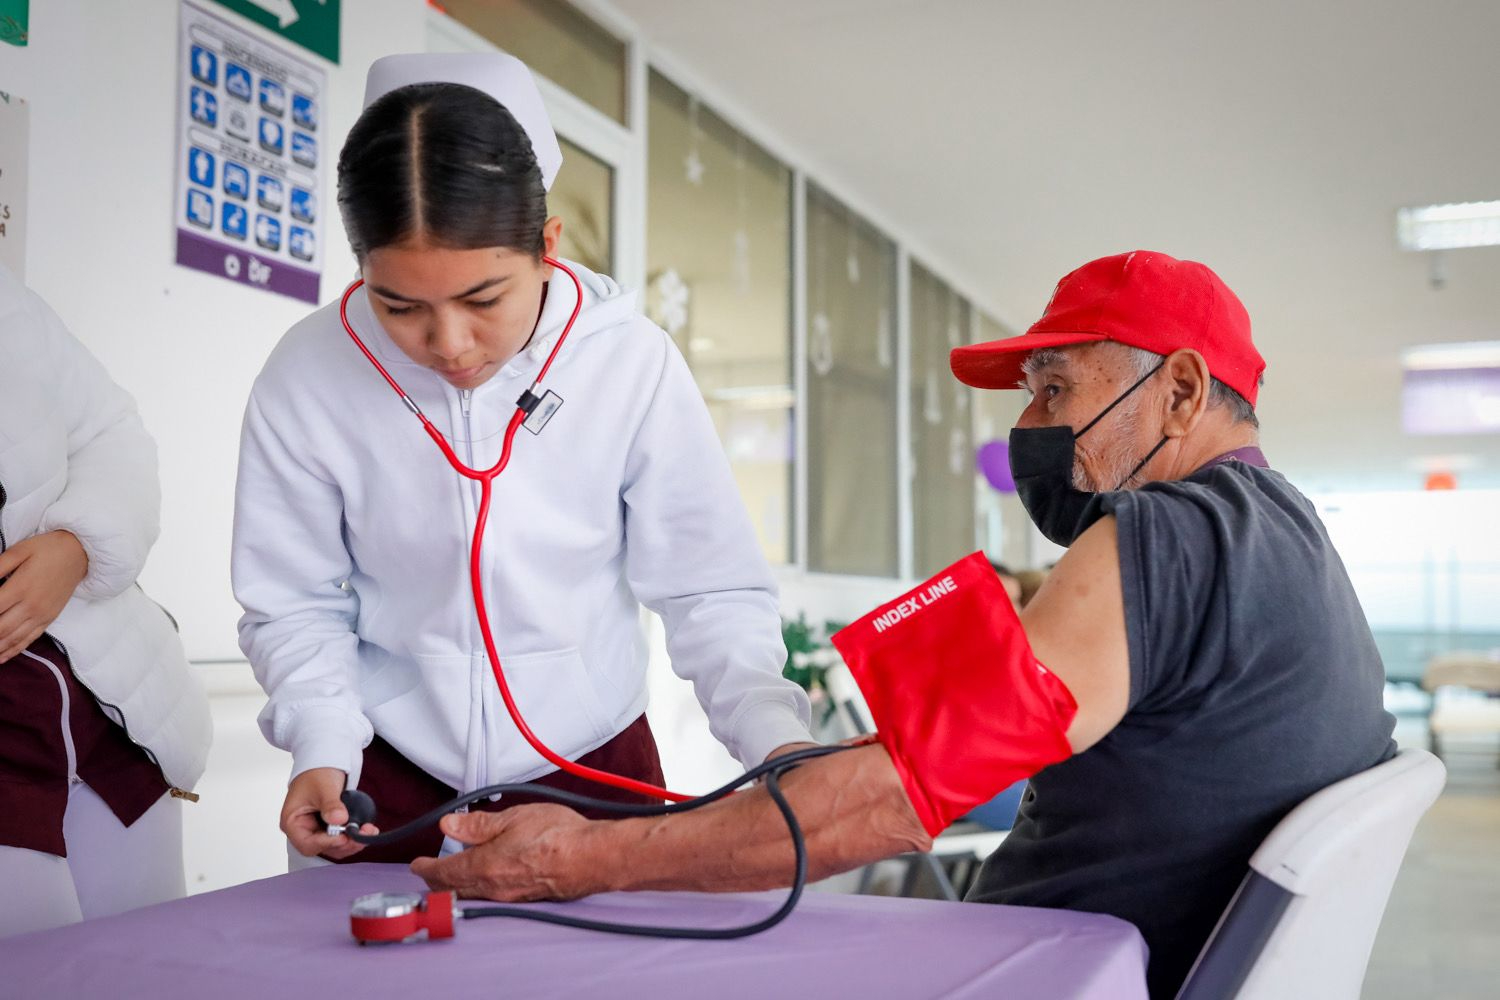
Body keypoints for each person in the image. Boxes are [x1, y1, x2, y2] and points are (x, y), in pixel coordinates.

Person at [406, 251, 1396, 999]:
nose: (1034, 428)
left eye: (1058, 389)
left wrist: (582, 858)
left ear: (1179, 390)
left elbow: (890, 801)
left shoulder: (1167, 537)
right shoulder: (1290, 536)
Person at [231, 53, 814, 868]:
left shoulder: (629, 365)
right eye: (399, 306)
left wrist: (773, 738)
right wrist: (321, 743)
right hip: (381, 781)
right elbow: (292, 599)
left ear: (547, 244)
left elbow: (707, 587)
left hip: (594, 771)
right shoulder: (309, 373)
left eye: (482, 299)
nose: (449, 344)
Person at [0, 264, 211, 937]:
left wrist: (76, 545)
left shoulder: (11, 305)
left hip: (107, 712)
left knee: (157, 969)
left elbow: (110, 431)